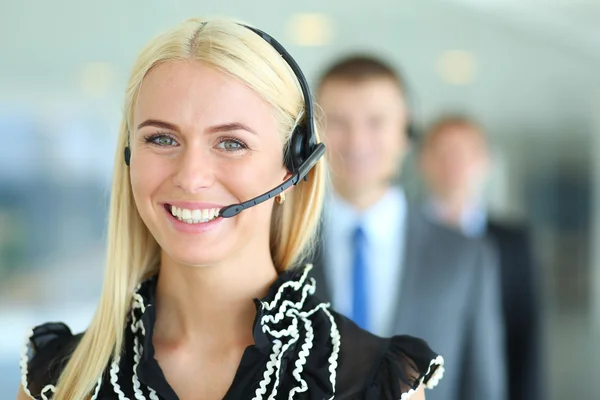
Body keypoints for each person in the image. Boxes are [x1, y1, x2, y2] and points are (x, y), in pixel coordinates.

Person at [16, 18, 444, 400]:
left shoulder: (375, 380)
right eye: (162, 139)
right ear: (129, 156)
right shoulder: (57, 380)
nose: (191, 176)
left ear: (292, 168)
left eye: (231, 143)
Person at [309, 55, 506, 400]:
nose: (357, 141)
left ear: (406, 131)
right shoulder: (279, 247)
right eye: (337, 121)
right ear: (313, 131)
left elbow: (484, 387)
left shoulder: (465, 255)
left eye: (376, 121)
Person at [419, 114, 541, 400]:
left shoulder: (513, 243)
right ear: (422, 161)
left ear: (486, 162)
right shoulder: (400, 235)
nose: (454, 163)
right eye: (443, 153)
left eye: (465, 153)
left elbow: (525, 335)